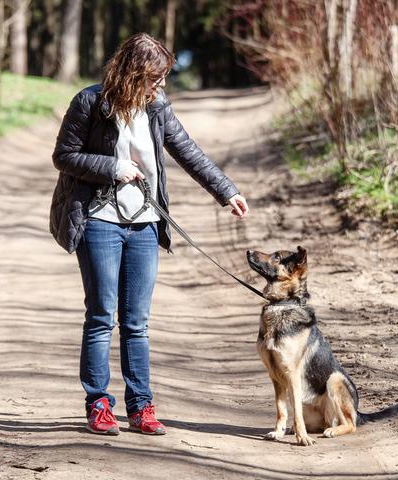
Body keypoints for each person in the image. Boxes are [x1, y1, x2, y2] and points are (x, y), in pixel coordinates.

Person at [49, 32, 249, 436]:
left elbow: (188, 151)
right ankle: (99, 404)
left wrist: (226, 191)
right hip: (99, 219)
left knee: (137, 322)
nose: (160, 85)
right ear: (131, 73)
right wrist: (112, 167)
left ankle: (141, 406)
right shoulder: (91, 102)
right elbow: (64, 156)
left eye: (163, 78)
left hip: (144, 222)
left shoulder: (157, 107)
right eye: (154, 77)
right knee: (102, 315)